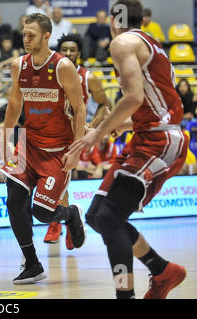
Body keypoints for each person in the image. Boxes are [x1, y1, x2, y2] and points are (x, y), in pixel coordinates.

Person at [65, 0, 188, 299]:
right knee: (96, 216)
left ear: (113, 20)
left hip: (160, 142)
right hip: (148, 136)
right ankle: (162, 271)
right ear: (142, 20)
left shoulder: (122, 42)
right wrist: (121, 125)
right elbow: (150, 104)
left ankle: (126, 295)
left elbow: (132, 97)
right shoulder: (153, 45)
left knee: (109, 217)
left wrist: (98, 133)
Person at [0, 13, 87, 284]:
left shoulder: (62, 67)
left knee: (42, 212)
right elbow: (15, 104)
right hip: (29, 145)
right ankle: (33, 263)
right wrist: (4, 136)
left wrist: (77, 149)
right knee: (13, 200)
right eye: (24, 34)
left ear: (46, 36)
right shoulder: (19, 65)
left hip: (58, 149)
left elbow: (80, 109)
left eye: (31, 35)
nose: (25, 39)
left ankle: (71, 214)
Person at [44, 33, 112, 244]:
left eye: (72, 50)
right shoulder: (50, 75)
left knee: (59, 175)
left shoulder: (88, 77)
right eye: (64, 49)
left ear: (79, 54)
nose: (68, 53)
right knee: (57, 178)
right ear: (58, 52)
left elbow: (104, 104)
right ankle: (71, 220)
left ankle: (57, 223)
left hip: (73, 135)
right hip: (50, 131)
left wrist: (92, 125)